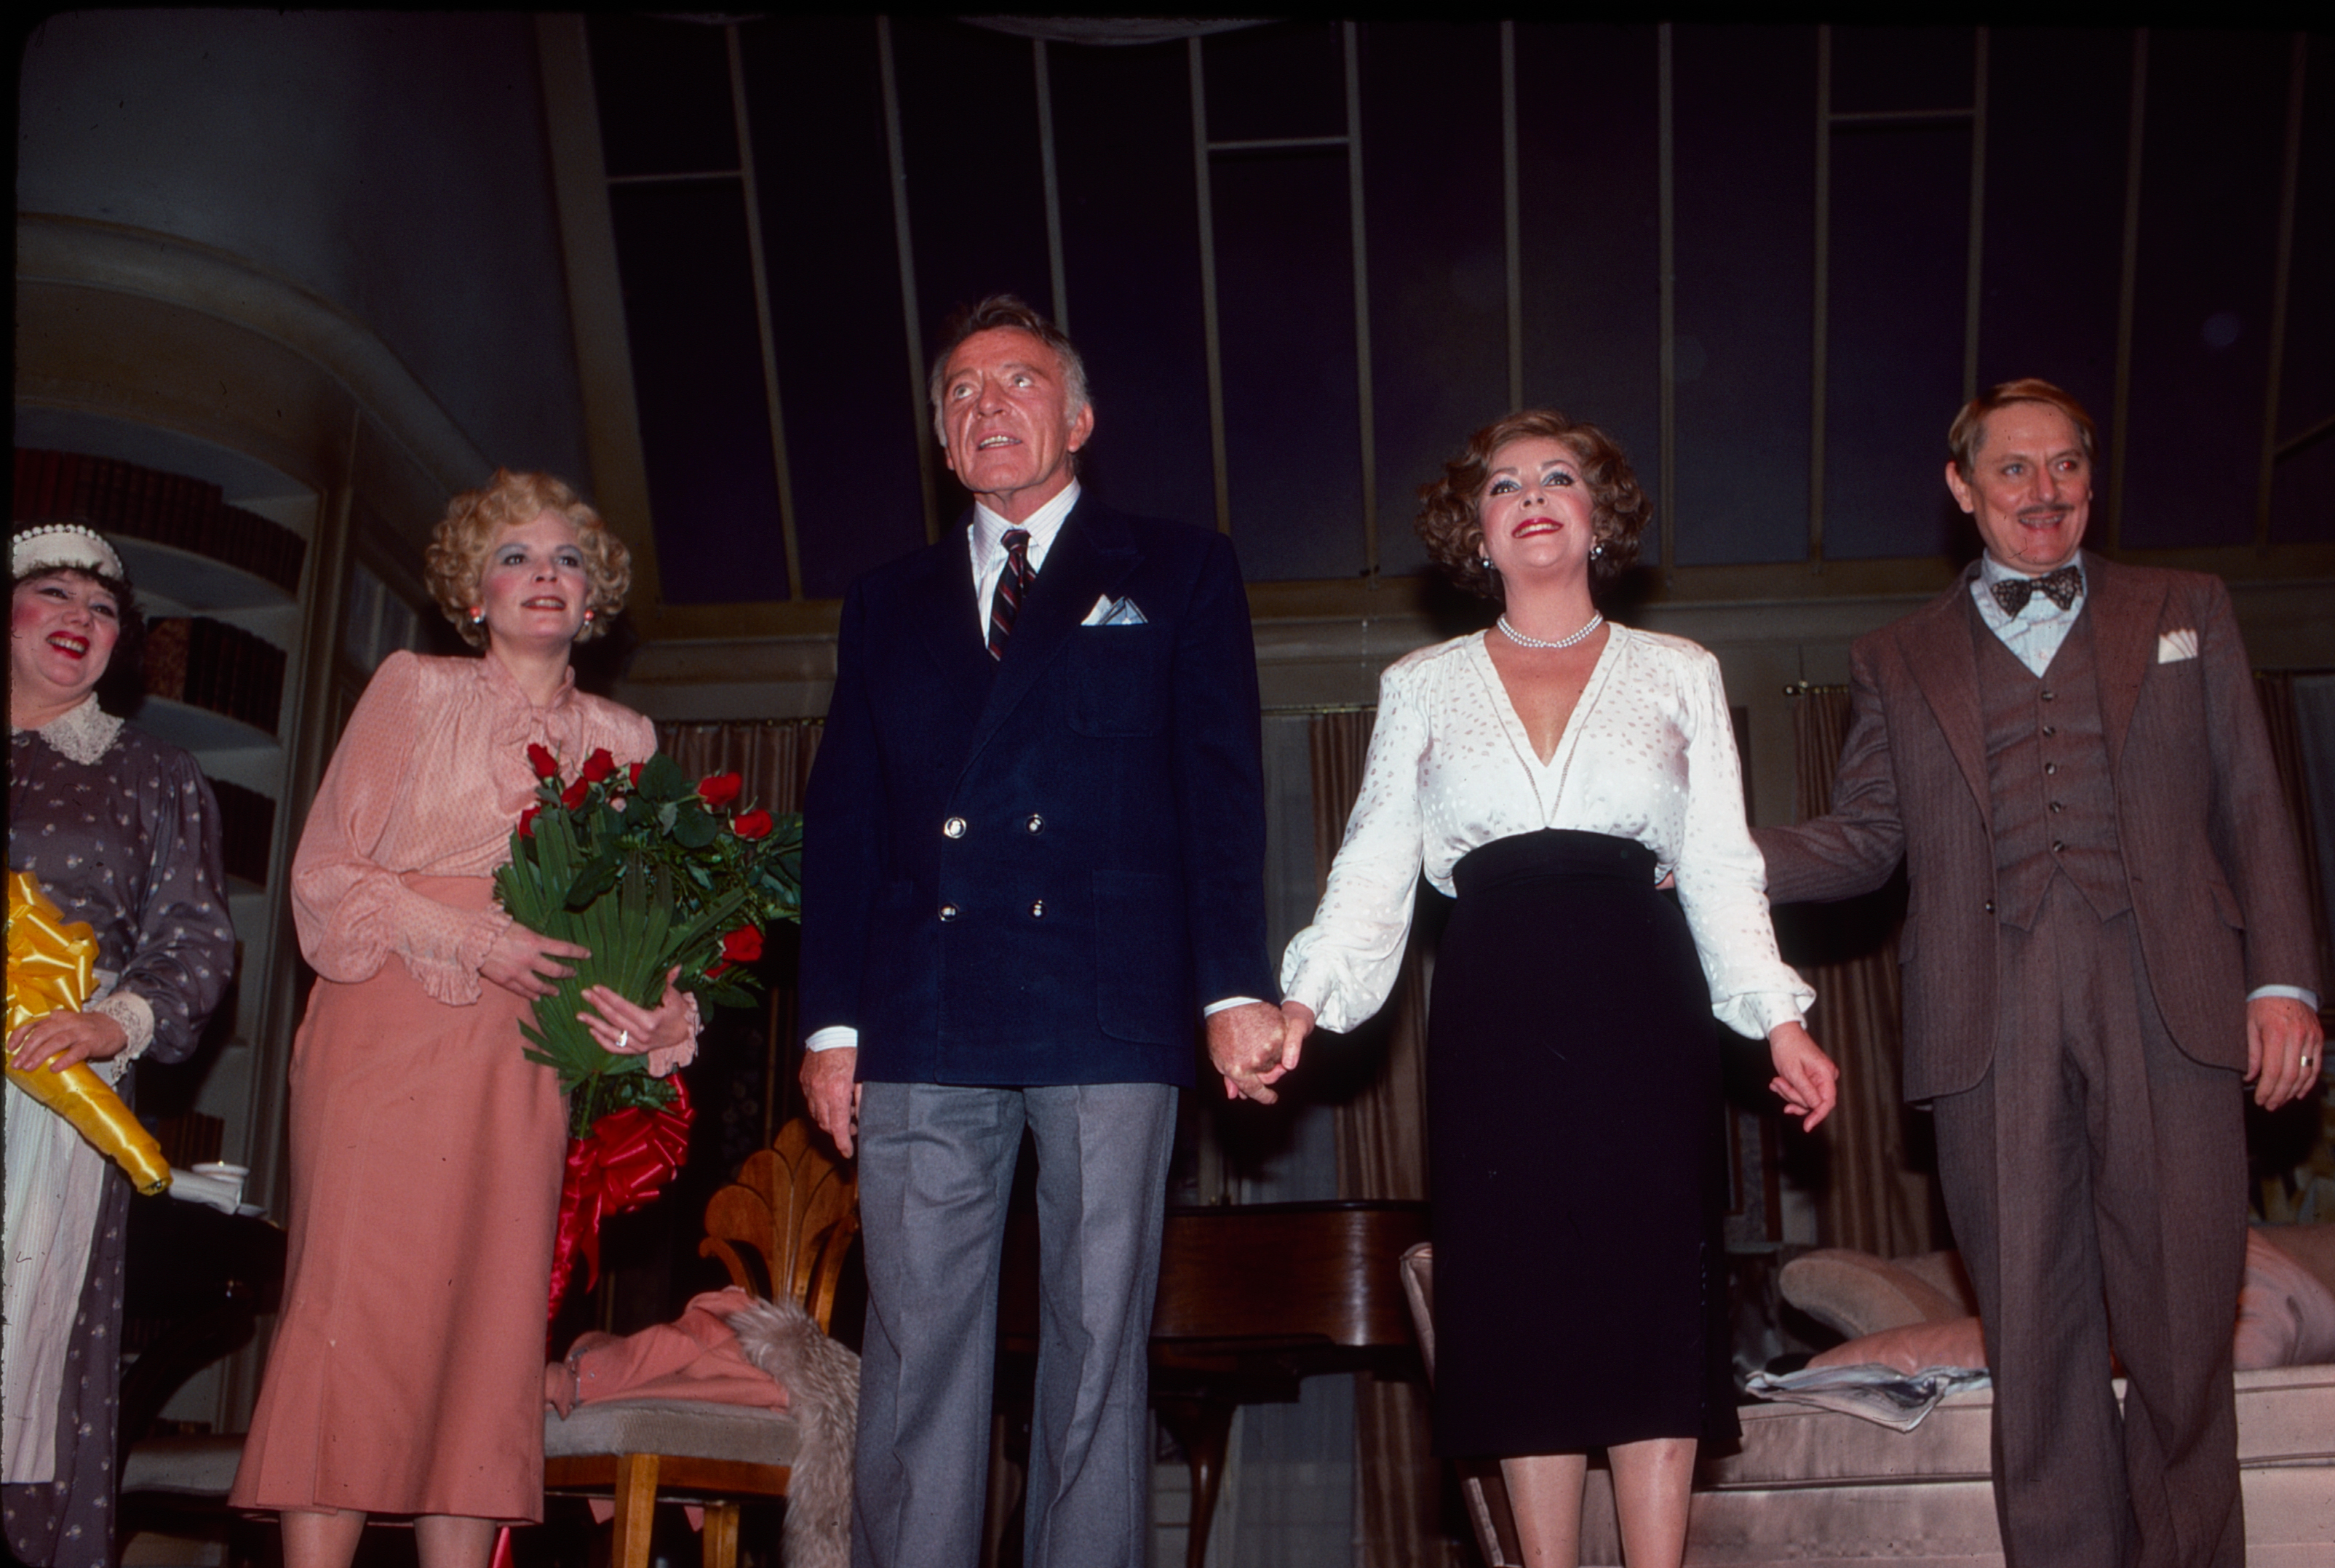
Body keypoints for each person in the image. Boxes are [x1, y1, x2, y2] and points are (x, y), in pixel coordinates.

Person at [1751, 378, 2323, 1568]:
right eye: (2013, 469)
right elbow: (1862, 839)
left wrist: (2283, 982)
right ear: (1963, 489)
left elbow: (2252, 807)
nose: (2044, 491)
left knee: (2178, 1341)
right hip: (1987, 1019)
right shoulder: (1894, 657)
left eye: (2065, 465)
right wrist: (1704, 855)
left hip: (2171, 1003)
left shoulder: (2187, 607)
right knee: (2036, 1344)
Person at [1278, 410, 1839, 1568]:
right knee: (1521, 1308)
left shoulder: (1680, 672)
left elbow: (1723, 865)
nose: (1532, 494)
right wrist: (1305, 1002)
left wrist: (1776, 1020)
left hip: (1644, 1010)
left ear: (1599, 514)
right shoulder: (1419, 684)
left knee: (1644, 1299)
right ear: (1475, 530)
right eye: (1502, 484)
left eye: (1559, 476)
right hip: (1492, 1015)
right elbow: (1375, 862)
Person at [796, 295, 1288, 1568]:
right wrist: (833, 1021)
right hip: (921, 1009)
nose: (986, 407)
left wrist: (1234, 984)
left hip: (1110, 1001)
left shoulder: (1179, 568)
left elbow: (1219, 798)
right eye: (960, 394)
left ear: (1076, 417)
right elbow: (843, 818)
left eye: (1016, 383)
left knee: (1096, 1348)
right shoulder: (883, 599)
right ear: (942, 444)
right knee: (915, 1351)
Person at [230, 471, 701, 1568]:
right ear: (474, 591)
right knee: (359, 1313)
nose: (545, 576)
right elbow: (325, 874)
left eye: (568, 561)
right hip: (391, 1023)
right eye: (516, 557)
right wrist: (476, 938)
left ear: (595, 601)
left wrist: (658, 1011)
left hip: (524, 1056)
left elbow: (650, 922)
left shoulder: (626, 739)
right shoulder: (415, 689)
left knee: (488, 1334)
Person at [6, 523, 235, 1567]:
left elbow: (194, 936)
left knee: (21, 1381)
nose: (79, 621)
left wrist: (113, 1023)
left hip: (49, 1093)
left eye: (102, 610)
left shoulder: (153, 773)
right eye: (53, 595)